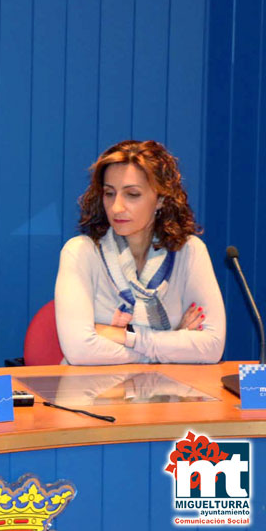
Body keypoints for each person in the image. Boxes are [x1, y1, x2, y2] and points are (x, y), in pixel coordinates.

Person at [54, 140, 225, 365]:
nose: (116, 207)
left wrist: (126, 336)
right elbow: (79, 351)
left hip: (167, 387)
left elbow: (212, 347)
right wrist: (172, 344)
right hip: (91, 386)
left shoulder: (189, 251)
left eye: (132, 194)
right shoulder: (80, 252)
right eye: (109, 193)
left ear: (161, 199)